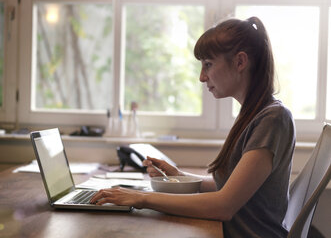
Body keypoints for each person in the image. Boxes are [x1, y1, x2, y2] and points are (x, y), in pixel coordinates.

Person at [90, 16, 296, 238]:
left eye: (208, 64)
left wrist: (141, 198)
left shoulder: (272, 119)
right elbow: (227, 188)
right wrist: (180, 175)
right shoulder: (254, 113)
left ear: (240, 62)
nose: (201, 77)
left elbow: (223, 206)